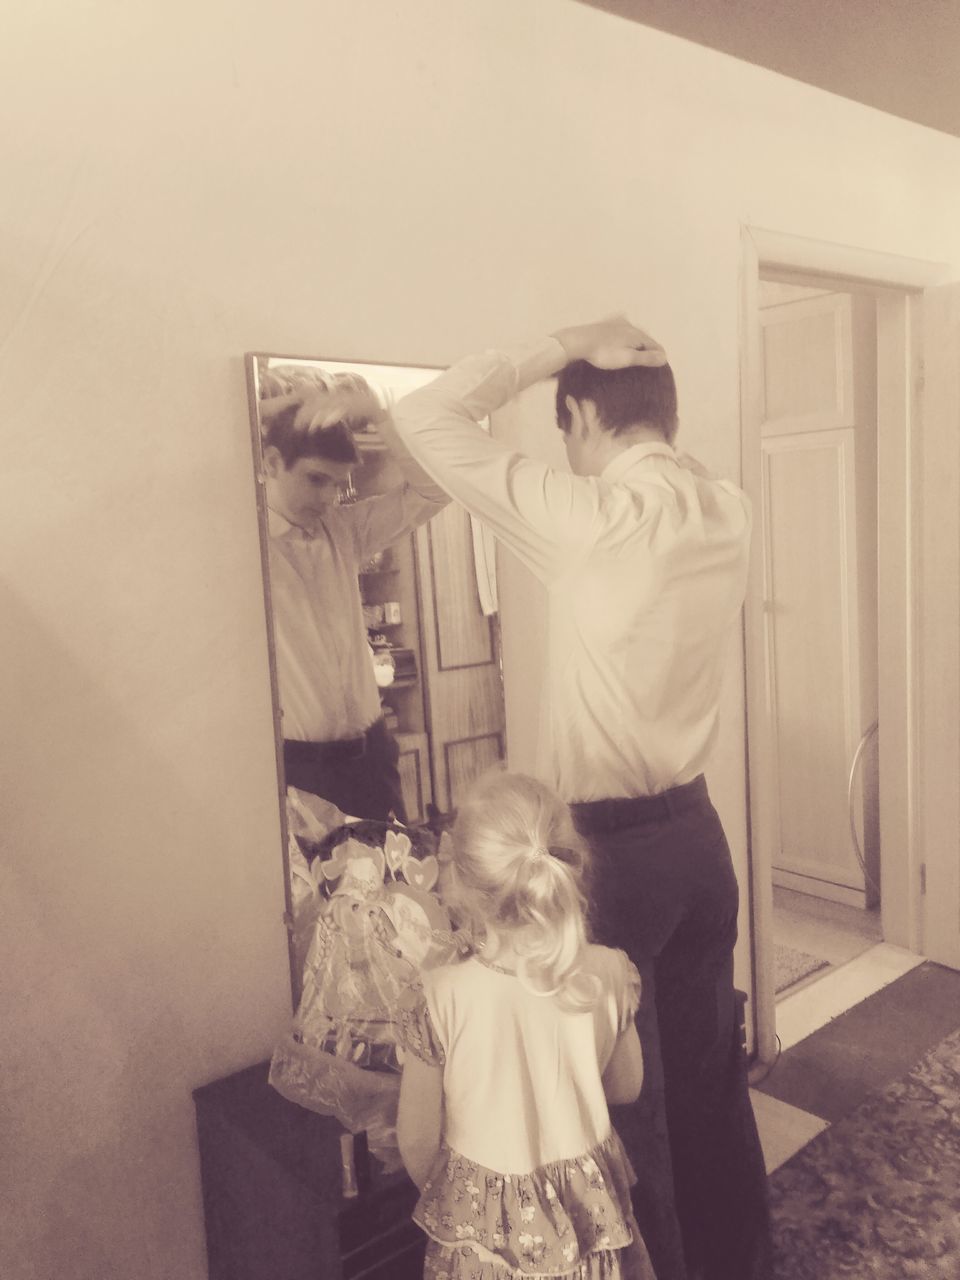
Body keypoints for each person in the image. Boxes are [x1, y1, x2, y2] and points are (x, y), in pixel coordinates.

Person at [391, 319, 771, 1280]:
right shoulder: (727, 507)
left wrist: (553, 346)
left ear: (580, 415)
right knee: (713, 1094)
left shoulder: (591, 517)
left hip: (611, 860)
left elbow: (423, 416)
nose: (564, 450)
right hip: (699, 840)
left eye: (564, 429)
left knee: (626, 1124)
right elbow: (666, 455)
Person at [396, 769, 656, 1280]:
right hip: (590, 1228)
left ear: (462, 880)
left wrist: (464, 1197)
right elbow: (627, 1087)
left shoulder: (440, 996)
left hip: (486, 1247)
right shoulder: (608, 972)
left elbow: (416, 1140)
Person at [259, 374, 447, 821]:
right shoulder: (242, 543)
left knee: (398, 883)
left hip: (372, 758)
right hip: (295, 768)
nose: (328, 499)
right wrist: (280, 405)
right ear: (270, 462)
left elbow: (434, 491)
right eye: (315, 480)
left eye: (338, 484)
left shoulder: (345, 530)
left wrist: (382, 417)